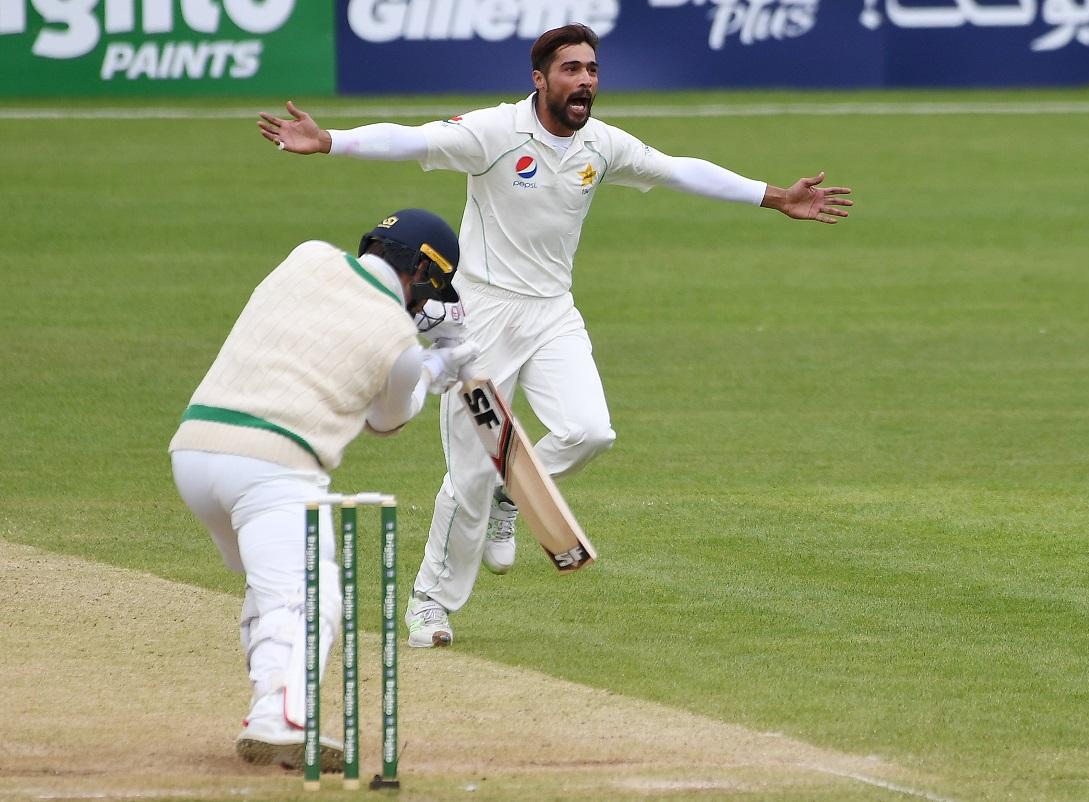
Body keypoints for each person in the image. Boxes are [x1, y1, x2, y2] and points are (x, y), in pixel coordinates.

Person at [257, 23, 853, 650]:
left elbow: (679, 170)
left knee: (590, 431)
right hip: (480, 319)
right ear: (540, 79)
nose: (585, 80)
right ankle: (430, 605)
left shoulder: (602, 144)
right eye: (571, 69)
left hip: (552, 314)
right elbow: (413, 139)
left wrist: (774, 197)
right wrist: (330, 141)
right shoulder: (494, 132)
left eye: (592, 69)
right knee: (467, 479)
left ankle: (511, 493)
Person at [168, 209, 478, 769]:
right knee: (311, 592)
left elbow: (325, 326)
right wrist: (436, 366)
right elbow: (386, 421)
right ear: (423, 274)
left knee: (273, 585)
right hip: (272, 466)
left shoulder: (306, 255)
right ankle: (282, 715)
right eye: (432, 290)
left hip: (194, 450)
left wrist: (419, 353)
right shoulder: (398, 342)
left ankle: (273, 702)